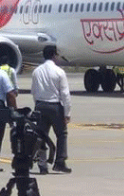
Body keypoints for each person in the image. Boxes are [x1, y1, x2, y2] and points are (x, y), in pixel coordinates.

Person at [31, 45, 72, 174]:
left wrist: (37, 105)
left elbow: (34, 91)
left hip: (40, 105)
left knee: (41, 136)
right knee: (61, 134)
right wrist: (67, 113)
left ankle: (42, 165)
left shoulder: (37, 71)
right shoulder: (59, 72)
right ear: (54, 55)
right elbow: (65, 94)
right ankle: (59, 161)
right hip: (55, 106)